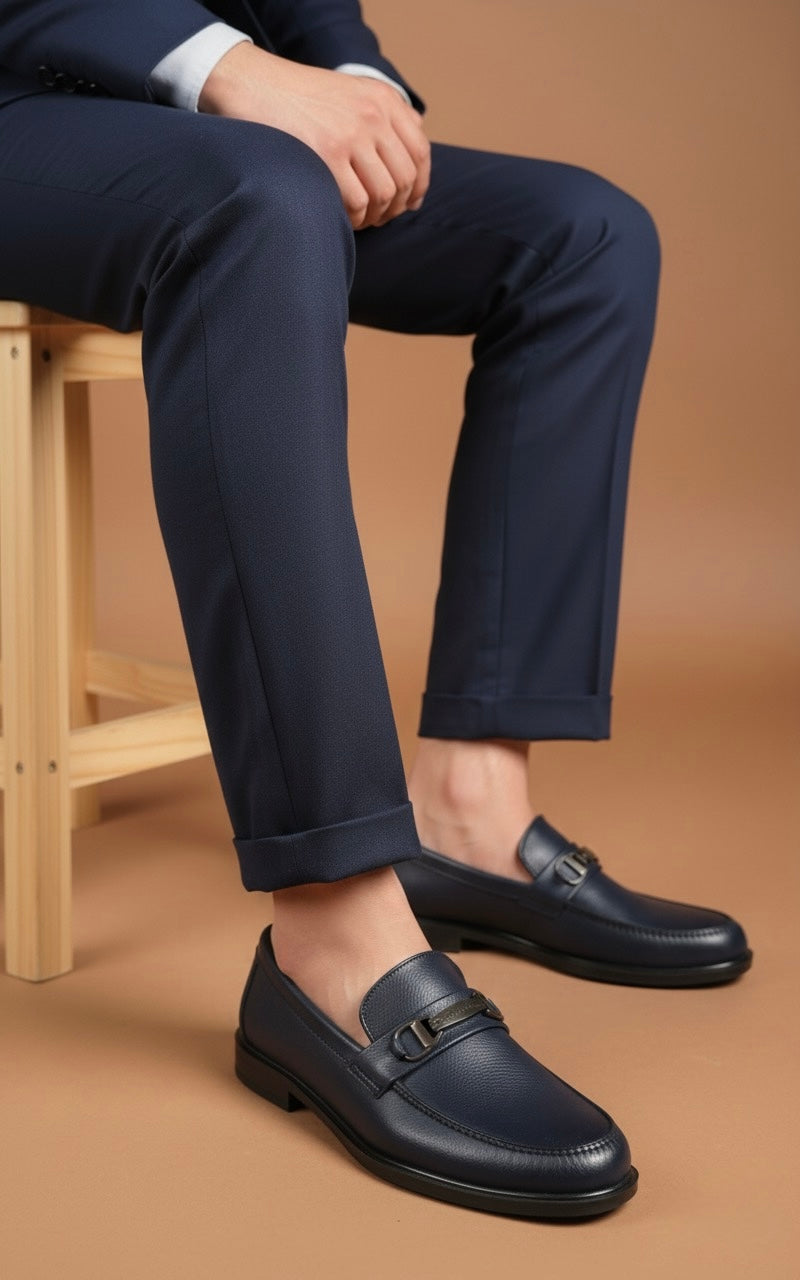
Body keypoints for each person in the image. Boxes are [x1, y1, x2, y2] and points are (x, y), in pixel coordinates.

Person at [0, 1, 751, 1218]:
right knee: (253, 200)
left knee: (585, 233)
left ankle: (470, 808)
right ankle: (335, 937)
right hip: (27, 107)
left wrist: (349, 77)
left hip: (196, 113)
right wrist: (226, 69)